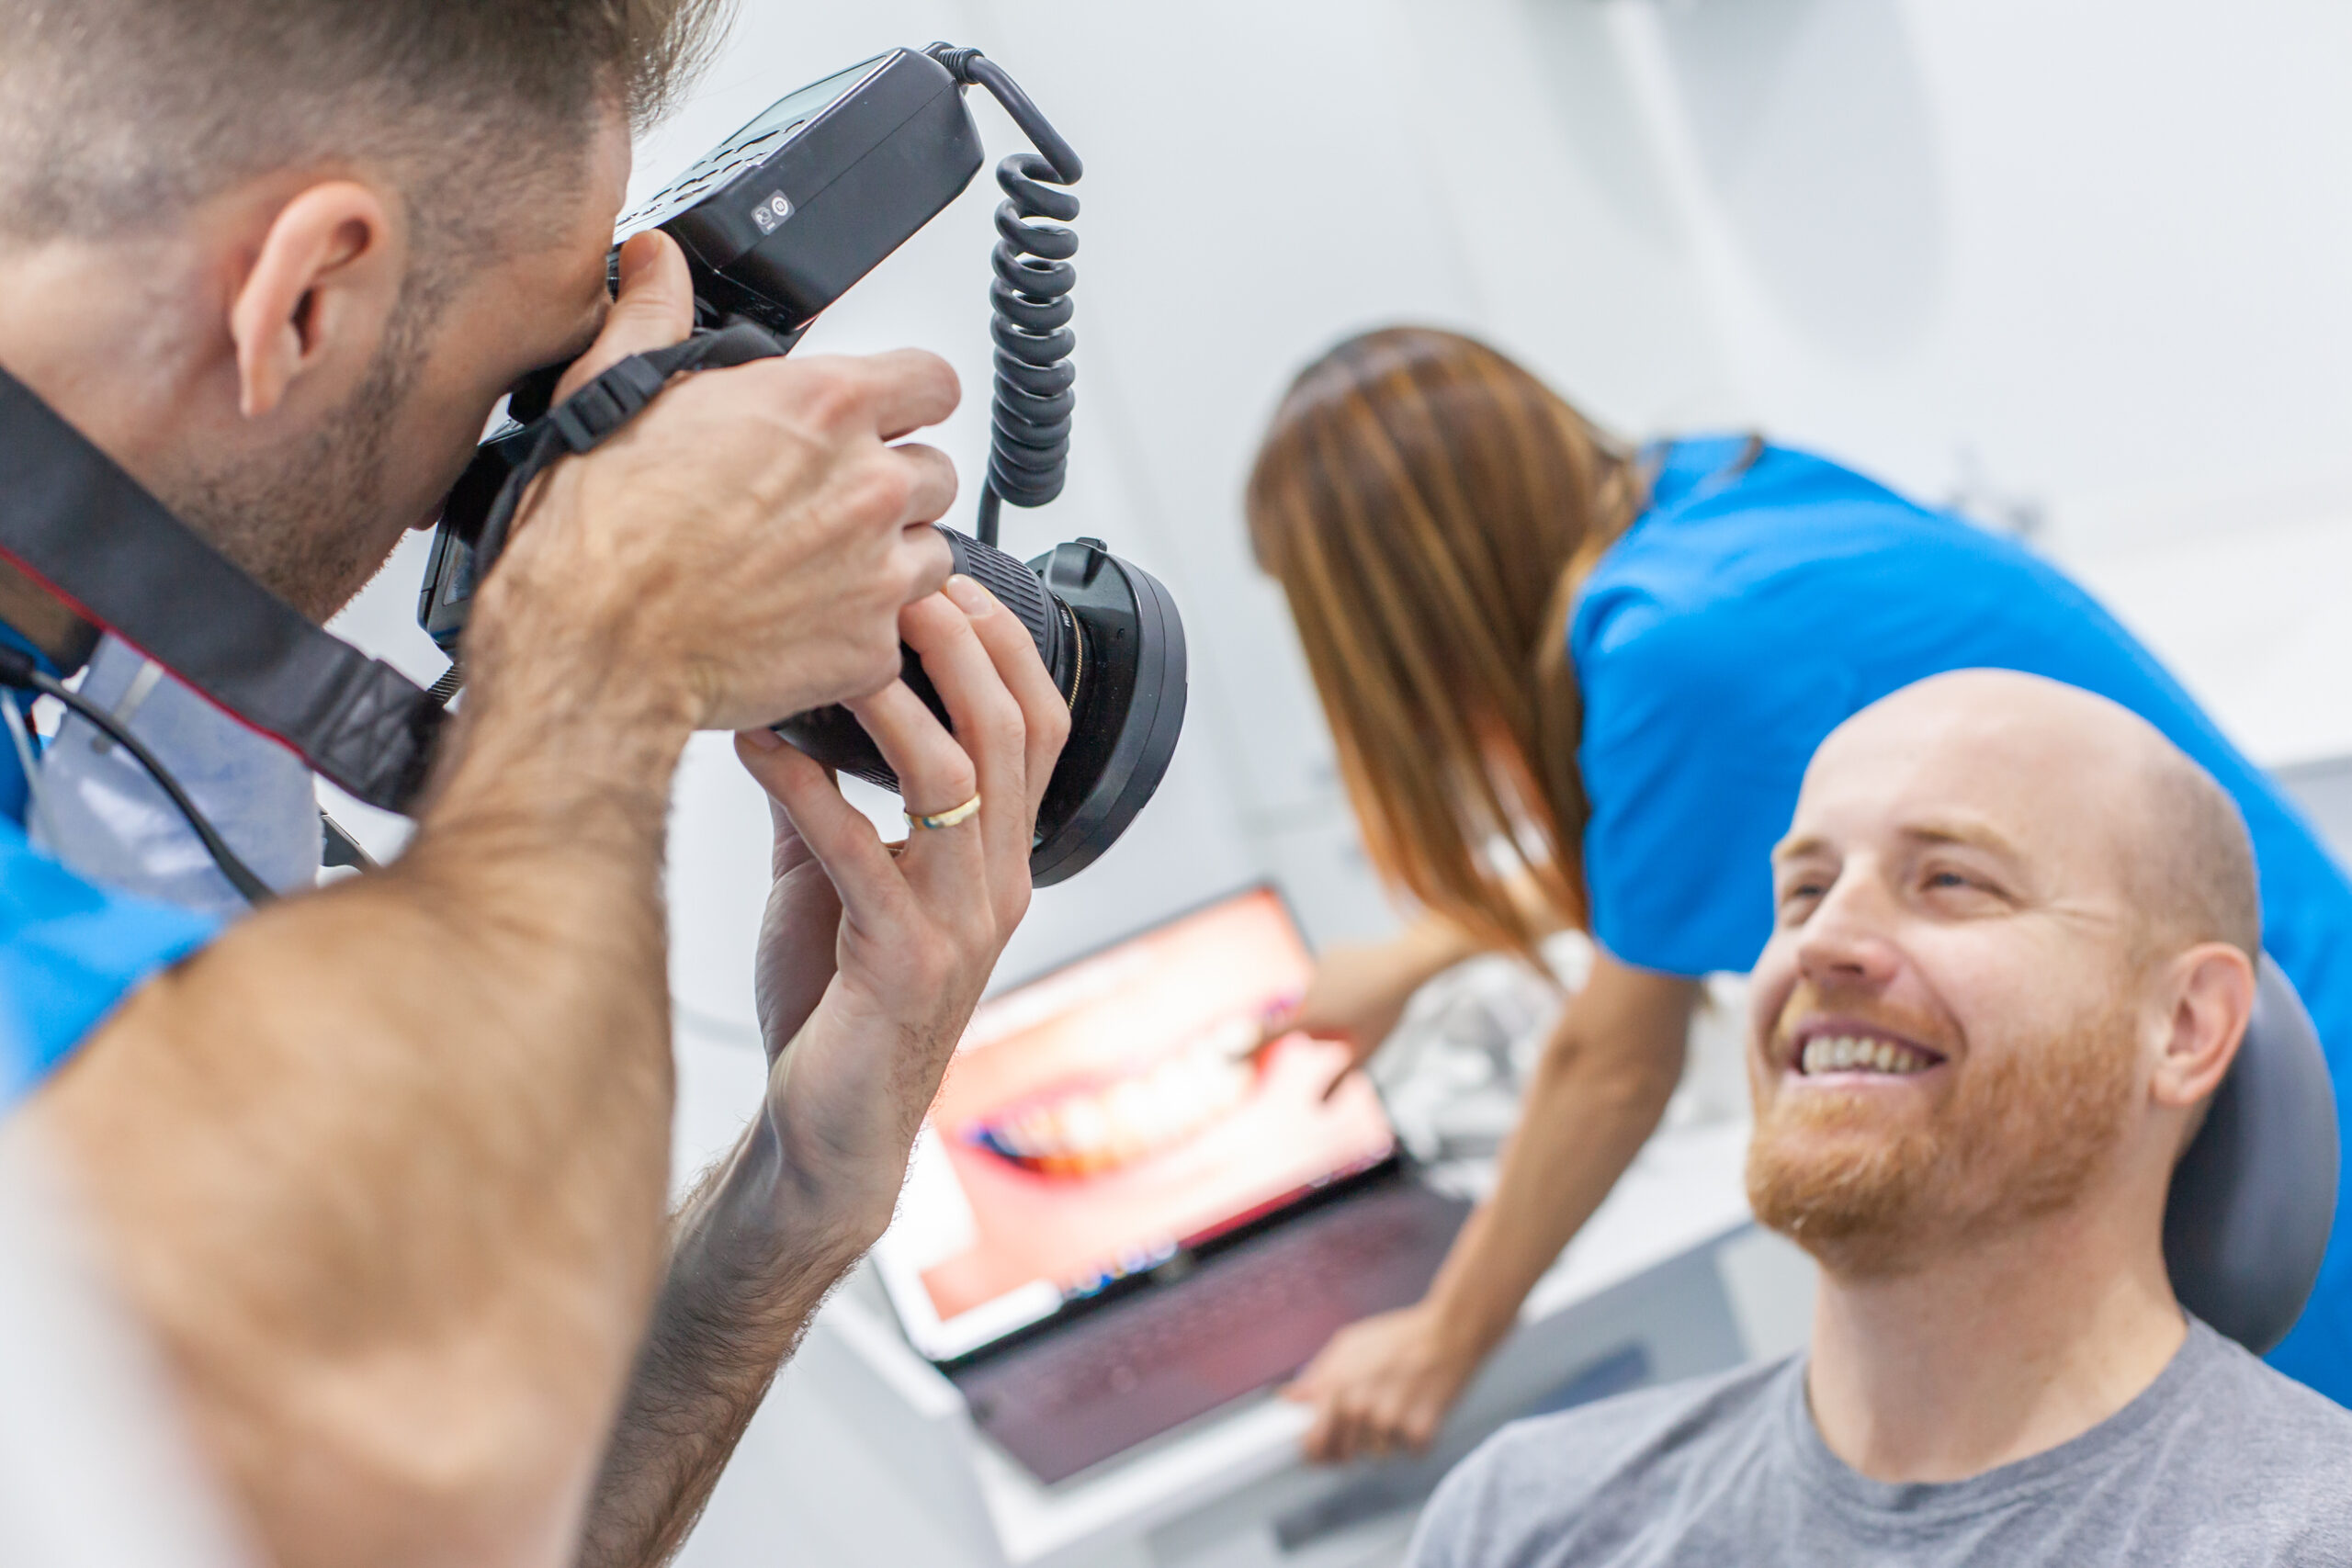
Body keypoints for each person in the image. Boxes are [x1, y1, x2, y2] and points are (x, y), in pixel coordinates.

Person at [0, 6, 1070, 1568]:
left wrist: (790, 1205)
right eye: (515, 386)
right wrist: (606, 644)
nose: (520, 479)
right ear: (304, 299)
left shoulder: (111, 712)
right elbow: (419, 1463)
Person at [1249, 327, 2352, 1461]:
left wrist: (1441, 1339)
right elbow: (1675, 838)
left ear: (1398, 616)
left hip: (2252, 1117)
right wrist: (1424, 953)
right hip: (2278, 1001)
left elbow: (1615, 1065)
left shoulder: (1669, 651)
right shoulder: (1718, 495)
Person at [1406, 671, 2352, 1567]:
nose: (1820, 944)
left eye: (1950, 881)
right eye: (1803, 892)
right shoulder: (1522, 1521)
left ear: (2184, 1027)